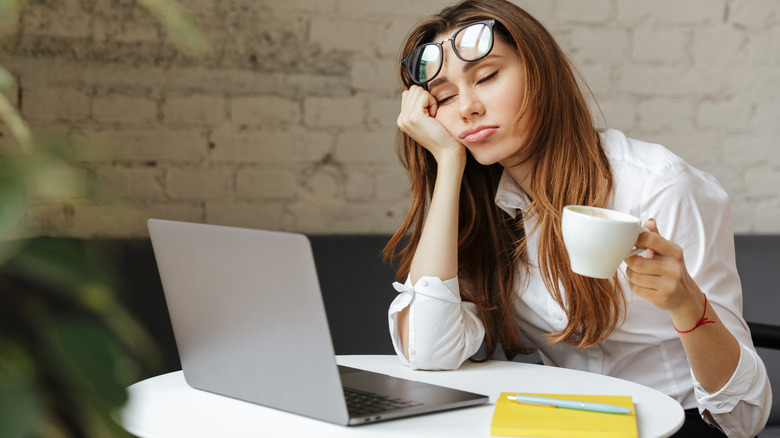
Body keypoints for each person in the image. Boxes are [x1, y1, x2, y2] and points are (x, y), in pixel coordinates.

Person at [382, 0, 771, 436]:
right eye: (445, 97)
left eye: (487, 77)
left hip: (675, 425)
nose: (467, 107)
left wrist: (686, 303)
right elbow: (429, 349)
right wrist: (450, 164)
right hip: (562, 424)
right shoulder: (487, 206)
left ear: (540, 74)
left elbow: (745, 417)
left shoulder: (660, 185)